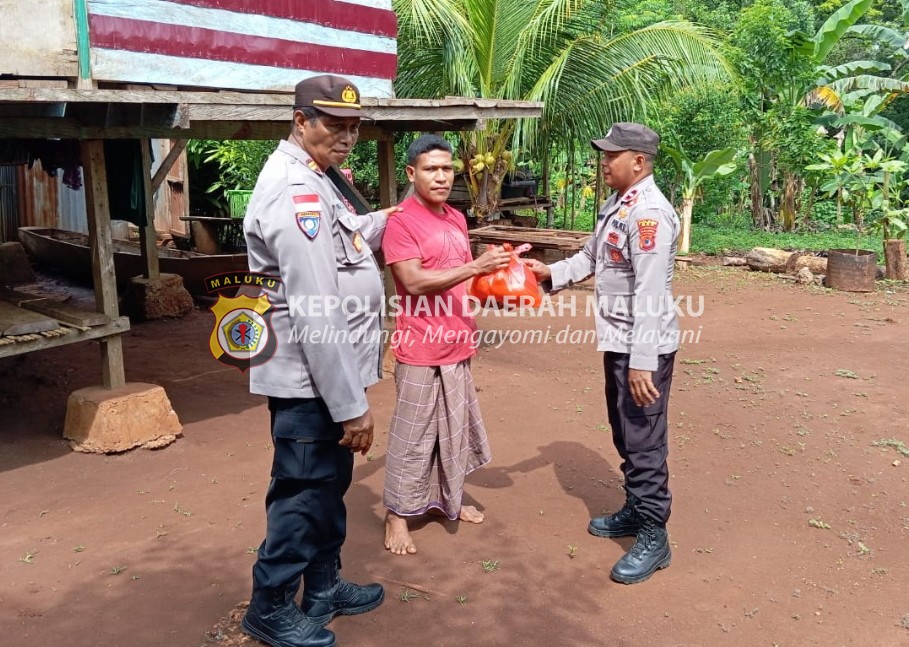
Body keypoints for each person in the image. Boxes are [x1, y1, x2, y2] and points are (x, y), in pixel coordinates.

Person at [241, 75, 400, 647]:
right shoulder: (295, 191)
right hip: (313, 379)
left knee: (330, 485)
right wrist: (351, 406)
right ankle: (271, 604)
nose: (348, 136)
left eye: (355, 126)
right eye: (335, 124)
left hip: (330, 376)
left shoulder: (320, 179)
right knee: (302, 492)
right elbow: (314, 310)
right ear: (301, 119)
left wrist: (401, 214)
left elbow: (353, 236)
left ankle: (325, 586)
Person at [523, 123, 680, 584]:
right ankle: (636, 508)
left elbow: (651, 293)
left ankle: (655, 535)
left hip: (641, 349)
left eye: (613, 155)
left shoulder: (649, 214)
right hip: (619, 343)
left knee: (644, 440)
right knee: (625, 432)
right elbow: (592, 257)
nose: (604, 162)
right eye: (604, 154)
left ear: (639, 161)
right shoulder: (619, 205)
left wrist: (641, 361)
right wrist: (547, 273)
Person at [380, 134, 511, 556]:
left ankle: (441, 501)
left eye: (447, 168)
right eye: (431, 169)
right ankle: (396, 516)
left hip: (458, 341)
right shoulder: (401, 222)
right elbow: (415, 281)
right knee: (413, 435)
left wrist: (502, 281)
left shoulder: (456, 217)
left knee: (451, 431)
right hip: (420, 347)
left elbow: (464, 277)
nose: (441, 176)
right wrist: (476, 265)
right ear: (411, 173)